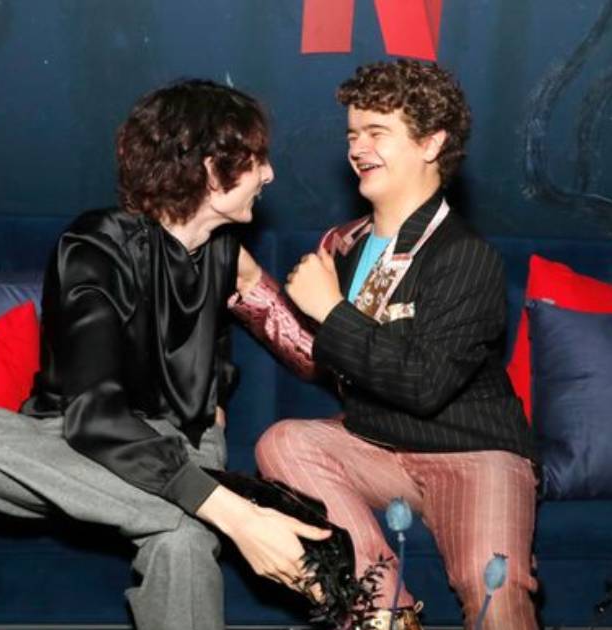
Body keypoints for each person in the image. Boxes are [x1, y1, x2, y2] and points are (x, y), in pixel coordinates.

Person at [0, 79, 329, 630]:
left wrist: (334, 314)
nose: (270, 175)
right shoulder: (95, 248)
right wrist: (238, 516)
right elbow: (93, 415)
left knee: (181, 540)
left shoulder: (230, 256)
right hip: (74, 438)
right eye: (257, 160)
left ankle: (197, 504)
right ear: (213, 172)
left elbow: (306, 352)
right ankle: (205, 507)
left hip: (184, 441)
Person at [233, 60, 540, 630]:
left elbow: (424, 385)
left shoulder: (466, 255)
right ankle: (385, 613)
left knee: (491, 585)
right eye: (353, 133)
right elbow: (321, 357)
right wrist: (253, 287)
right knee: (284, 441)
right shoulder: (344, 245)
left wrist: (330, 309)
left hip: (471, 452)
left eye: (377, 132)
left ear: (431, 143)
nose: (358, 147)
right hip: (376, 446)